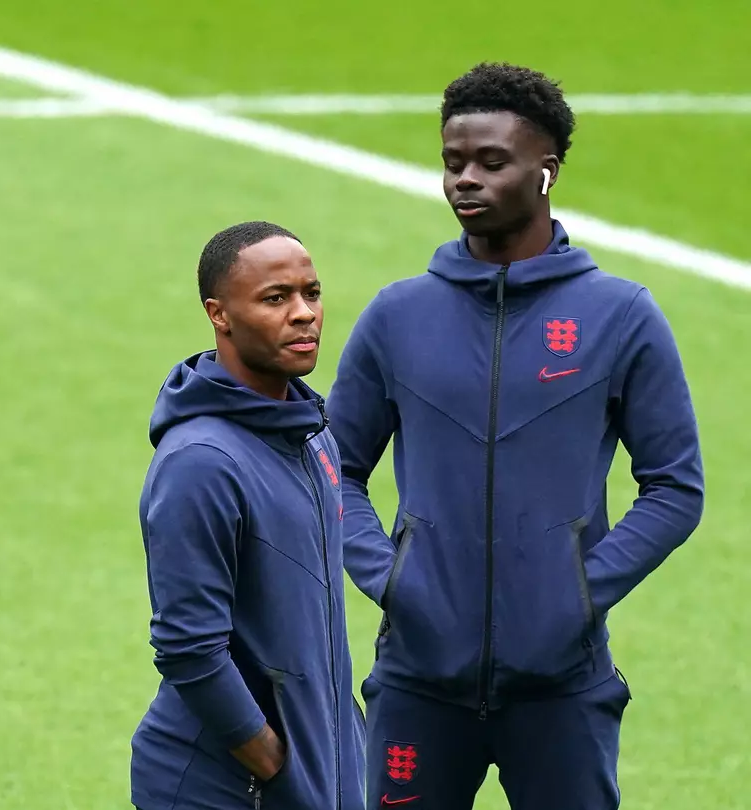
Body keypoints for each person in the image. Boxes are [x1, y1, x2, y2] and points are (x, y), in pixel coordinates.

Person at [328, 62, 704, 809]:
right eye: (452, 162)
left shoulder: (621, 316)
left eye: (491, 162)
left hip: (562, 687)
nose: (465, 180)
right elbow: (329, 471)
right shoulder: (395, 317)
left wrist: (580, 593)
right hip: (416, 681)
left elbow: (675, 488)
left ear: (546, 171)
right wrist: (391, 577)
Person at [130, 222, 367, 810]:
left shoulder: (312, 437)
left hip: (315, 768)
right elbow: (189, 645)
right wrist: (270, 759)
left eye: (310, 293)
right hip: (227, 783)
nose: (304, 313)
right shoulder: (201, 462)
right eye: (274, 298)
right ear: (220, 314)